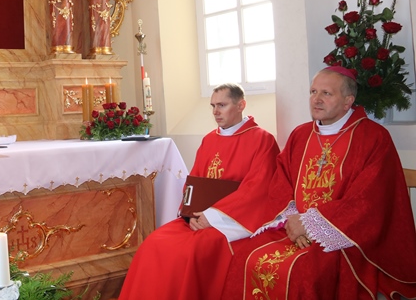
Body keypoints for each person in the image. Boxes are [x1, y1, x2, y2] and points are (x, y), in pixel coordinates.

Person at [222, 67, 416, 299]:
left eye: (327, 93)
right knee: (244, 257)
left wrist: (310, 224)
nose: (316, 99)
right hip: (293, 227)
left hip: (341, 235)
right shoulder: (301, 134)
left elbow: (369, 200)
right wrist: (294, 222)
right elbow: (281, 182)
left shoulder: (372, 137)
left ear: (348, 101)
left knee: (304, 273)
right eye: (313, 92)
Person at [118, 83, 280, 300]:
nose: (216, 112)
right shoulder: (210, 139)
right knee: (153, 243)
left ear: (241, 105)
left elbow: (257, 189)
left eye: (222, 105)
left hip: (232, 222)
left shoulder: (262, 140)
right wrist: (191, 213)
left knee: (190, 252)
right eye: (213, 106)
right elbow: (193, 182)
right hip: (198, 218)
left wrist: (212, 217)